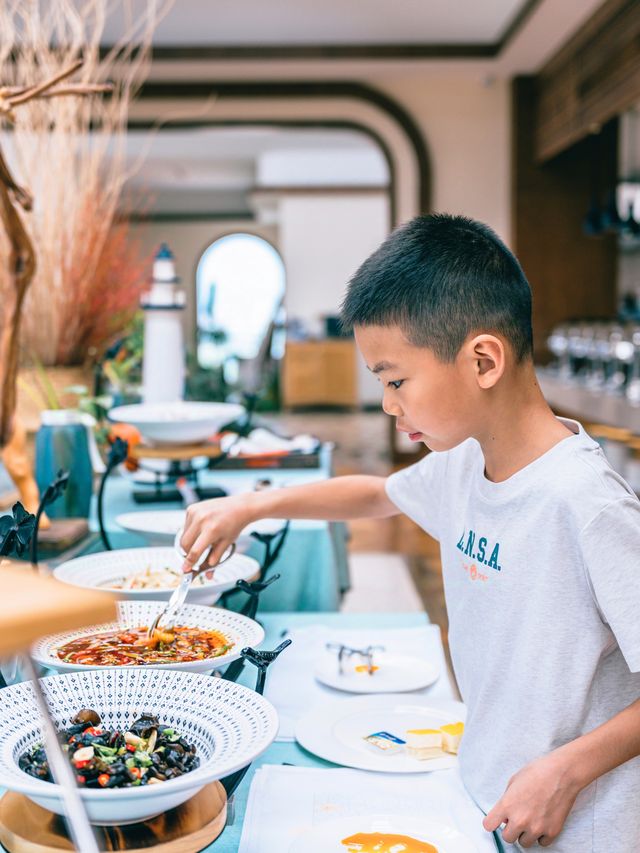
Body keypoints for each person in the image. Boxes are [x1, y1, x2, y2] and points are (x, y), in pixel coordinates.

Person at [179, 214, 640, 851]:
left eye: (396, 381)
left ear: (483, 360)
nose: (390, 405)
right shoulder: (463, 464)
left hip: (581, 827)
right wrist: (254, 505)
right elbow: (376, 493)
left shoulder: (586, 503)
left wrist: (567, 770)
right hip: (487, 801)